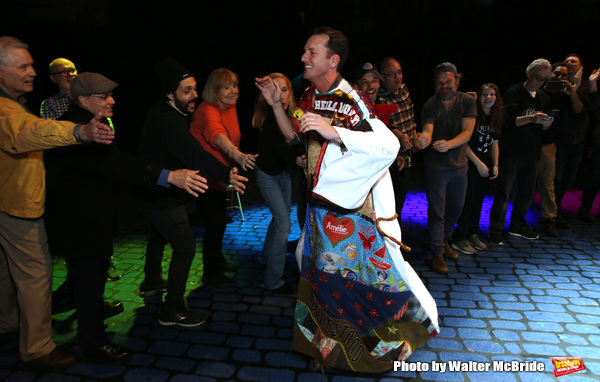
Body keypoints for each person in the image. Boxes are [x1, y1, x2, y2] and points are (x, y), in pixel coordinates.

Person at [257, 27, 438, 373]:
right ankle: (329, 349)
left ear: (332, 60)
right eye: (305, 51)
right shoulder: (311, 93)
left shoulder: (351, 99)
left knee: (363, 280)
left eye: (312, 53)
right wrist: (278, 106)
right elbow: (295, 135)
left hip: (351, 213)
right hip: (320, 208)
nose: (303, 58)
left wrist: (335, 132)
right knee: (322, 278)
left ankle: (383, 351)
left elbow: (388, 145)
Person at [44, 72, 208, 361]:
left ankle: (92, 312)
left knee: (91, 276)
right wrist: (169, 176)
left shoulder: (91, 120)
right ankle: (94, 343)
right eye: (104, 97)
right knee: (88, 277)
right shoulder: (76, 128)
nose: (112, 101)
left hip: (90, 217)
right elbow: (118, 165)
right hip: (79, 222)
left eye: (111, 95)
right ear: (83, 100)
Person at [0, 36, 114, 371]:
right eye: (23, 66)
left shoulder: (12, 100)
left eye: (32, 64)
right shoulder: (7, 110)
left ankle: (8, 326)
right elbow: (28, 132)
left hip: (6, 199)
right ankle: (37, 349)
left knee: (5, 271)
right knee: (36, 275)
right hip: (17, 205)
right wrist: (78, 132)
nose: (33, 72)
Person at [137, 58, 247, 327]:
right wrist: (225, 172)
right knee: (184, 246)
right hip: (159, 194)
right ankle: (172, 310)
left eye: (195, 88)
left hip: (153, 190)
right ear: (169, 93)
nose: (194, 95)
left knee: (158, 236)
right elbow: (194, 152)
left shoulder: (165, 111)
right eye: (186, 90)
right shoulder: (169, 120)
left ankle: (151, 281)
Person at [190, 68, 258, 288]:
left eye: (235, 85)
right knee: (215, 224)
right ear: (214, 90)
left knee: (219, 221)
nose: (233, 91)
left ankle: (217, 260)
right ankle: (210, 274)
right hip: (203, 177)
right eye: (227, 87)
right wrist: (236, 154)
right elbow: (216, 134)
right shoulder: (207, 110)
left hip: (220, 176)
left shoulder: (230, 106)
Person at [413, 62, 476, 274]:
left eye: (448, 81)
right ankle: (437, 253)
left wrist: (448, 144)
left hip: (459, 166)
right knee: (437, 212)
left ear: (457, 80)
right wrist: (424, 139)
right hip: (436, 168)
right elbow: (428, 130)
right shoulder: (431, 105)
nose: (445, 85)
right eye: (440, 82)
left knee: (456, 209)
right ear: (435, 85)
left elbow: (468, 133)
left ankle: (446, 240)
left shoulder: (467, 101)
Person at [489, 59, 554, 245]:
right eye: (537, 78)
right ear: (529, 74)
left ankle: (518, 224)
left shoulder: (543, 97)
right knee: (504, 193)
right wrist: (530, 118)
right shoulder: (514, 93)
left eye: (544, 80)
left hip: (532, 152)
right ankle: (496, 229)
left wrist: (547, 124)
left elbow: (545, 130)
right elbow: (504, 122)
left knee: (526, 192)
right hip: (511, 152)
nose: (540, 82)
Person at [252, 72, 305, 294]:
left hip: (282, 173)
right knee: (284, 224)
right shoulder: (268, 118)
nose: (281, 95)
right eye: (276, 90)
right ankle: (273, 281)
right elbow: (281, 147)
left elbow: (302, 128)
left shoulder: (293, 111)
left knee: (279, 219)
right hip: (267, 175)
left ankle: (266, 257)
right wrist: (298, 159)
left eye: (284, 90)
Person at [452, 84, 502, 254]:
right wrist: (478, 162)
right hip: (470, 164)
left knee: (479, 202)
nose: (488, 98)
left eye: (492, 94)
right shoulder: (473, 116)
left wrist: (495, 163)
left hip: (485, 166)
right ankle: (459, 237)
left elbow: (495, 142)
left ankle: (472, 233)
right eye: (484, 94)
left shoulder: (495, 117)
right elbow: (464, 141)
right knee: (468, 201)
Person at [537, 62, 584, 237]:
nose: (560, 78)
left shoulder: (563, 96)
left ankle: (550, 219)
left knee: (548, 183)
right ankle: (514, 220)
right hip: (528, 143)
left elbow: (579, 111)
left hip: (548, 144)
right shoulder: (539, 92)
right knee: (522, 183)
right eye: (557, 74)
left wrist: (572, 92)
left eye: (564, 76)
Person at [376, 57, 417, 222]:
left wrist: (415, 138)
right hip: (390, 159)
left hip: (407, 156)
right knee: (388, 204)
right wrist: (400, 137)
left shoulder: (405, 90)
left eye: (399, 72)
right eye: (392, 74)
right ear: (383, 78)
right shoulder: (380, 97)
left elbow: (410, 119)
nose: (397, 77)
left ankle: (395, 237)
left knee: (400, 201)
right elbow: (387, 126)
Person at [560, 54, 600, 222]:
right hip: (560, 138)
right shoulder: (558, 85)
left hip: (578, 138)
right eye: (567, 61)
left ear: (581, 67)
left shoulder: (585, 86)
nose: (569, 63)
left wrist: (591, 84)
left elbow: (592, 108)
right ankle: (552, 213)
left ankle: (559, 211)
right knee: (558, 177)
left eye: (573, 61)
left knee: (569, 176)